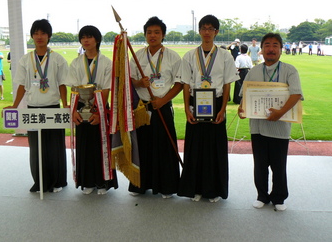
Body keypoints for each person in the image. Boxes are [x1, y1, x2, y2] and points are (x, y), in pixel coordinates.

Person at [238, 33, 303, 211]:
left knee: (278, 165)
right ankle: (262, 195)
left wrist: (281, 112)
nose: (271, 49)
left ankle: (279, 197)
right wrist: (242, 109)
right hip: (258, 127)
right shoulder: (254, 71)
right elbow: (244, 97)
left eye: (275, 45)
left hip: (280, 127)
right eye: (267, 45)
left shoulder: (290, 70)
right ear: (262, 50)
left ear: (281, 49)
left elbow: (296, 94)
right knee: (260, 164)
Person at [178, 15, 239, 202]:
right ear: (199, 31)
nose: (207, 32)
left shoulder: (225, 55)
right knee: (195, 148)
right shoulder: (189, 55)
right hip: (196, 104)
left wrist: (223, 110)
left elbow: (228, 83)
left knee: (215, 149)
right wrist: (187, 109)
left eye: (211, 29)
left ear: (216, 32)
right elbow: (186, 84)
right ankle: (195, 189)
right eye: (204, 28)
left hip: (217, 103)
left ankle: (213, 190)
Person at [4, 19, 68, 193]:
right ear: (32, 36)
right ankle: (39, 181)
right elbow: (22, 86)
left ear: (49, 36)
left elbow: (62, 84)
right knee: (36, 148)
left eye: (43, 33)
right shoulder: (25, 60)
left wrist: (65, 105)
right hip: (32, 109)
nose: (39, 37)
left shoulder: (57, 59)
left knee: (54, 147)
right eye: (36, 33)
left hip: (53, 108)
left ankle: (56, 181)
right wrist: (14, 106)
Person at [128, 16, 182, 198]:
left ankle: (166, 186)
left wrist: (163, 100)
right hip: (143, 108)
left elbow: (179, 83)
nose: (153, 35)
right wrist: (139, 83)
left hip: (162, 105)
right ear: (144, 35)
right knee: (141, 146)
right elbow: (130, 81)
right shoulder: (137, 56)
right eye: (149, 32)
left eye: (157, 32)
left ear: (163, 35)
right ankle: (140, 185)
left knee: (165, 146)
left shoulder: (173, 57)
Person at [66, 25, 118, 195]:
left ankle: (103, 182)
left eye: (89, 37)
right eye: (83, 37)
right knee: (84, 146)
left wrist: (97, 111)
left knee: (101, 144)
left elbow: (106, 89)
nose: (86, 40)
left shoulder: (106, 63)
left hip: (100, 107)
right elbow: (73, 90)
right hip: (81, 107)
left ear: (97, 39)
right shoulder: (75, 63)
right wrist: (73, 111)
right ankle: (87, 182)